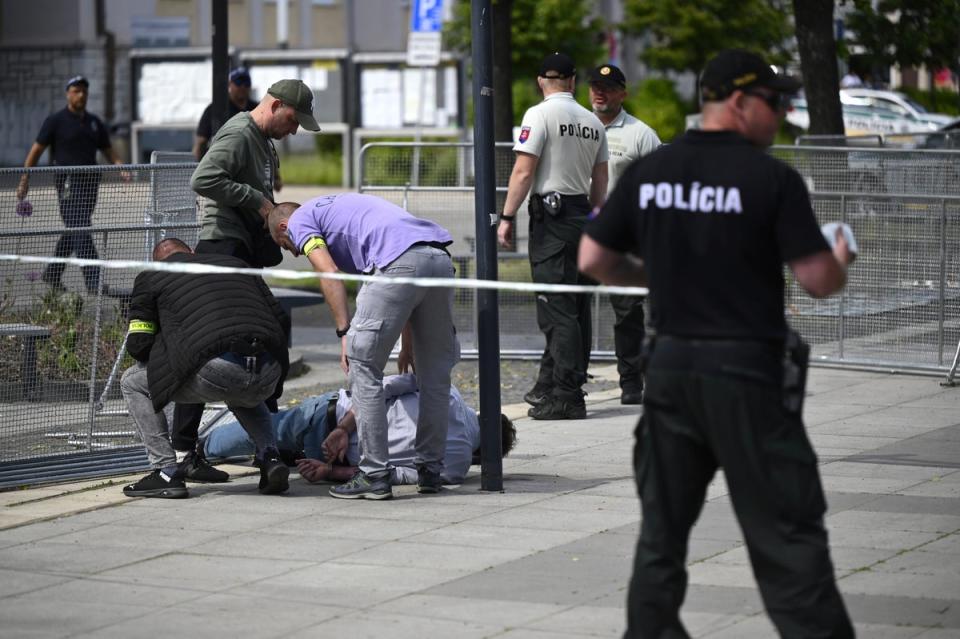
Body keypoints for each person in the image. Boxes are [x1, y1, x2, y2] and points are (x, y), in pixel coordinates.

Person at [578, 49, 855, 638]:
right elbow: (817, 281)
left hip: (673, 372)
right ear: (739, 102)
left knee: (662, 535)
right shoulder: (770, 179)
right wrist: (842, 256)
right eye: (775, 103)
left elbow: (593, 258)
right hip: (748, 375)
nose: (781, 116)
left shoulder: (654, 172)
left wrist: (656, 276)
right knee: (786, 535)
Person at [267, 193, 458, 501]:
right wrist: (407, 345)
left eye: (283, 243)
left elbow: (328, 273)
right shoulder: (340, 213)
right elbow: (403, 288)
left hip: (399, 262)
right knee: (434, 375)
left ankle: (374, 474)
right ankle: (430, 471)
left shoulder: (300, 222)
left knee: (362, 363)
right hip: (436, 257)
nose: (291, 252)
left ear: (285, 227)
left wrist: (345, 331)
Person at [174, 78, 319, 481]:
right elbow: (202, 178)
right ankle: (192, 451)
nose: (294, 131)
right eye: (293, 120)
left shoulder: (262, 142)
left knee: (256, 337)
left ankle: (263, 449)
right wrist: (259, 201)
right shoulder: (240, 132)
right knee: (213, 345)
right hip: (222, 249)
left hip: (240, 251)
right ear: (274, 106)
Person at [120, 238, 292, 499]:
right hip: (268, 368)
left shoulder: (152, 277)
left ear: (156, 263)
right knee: (242, 386)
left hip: (219, 369)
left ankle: (165, 472)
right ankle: (270, 458)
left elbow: (138, 345)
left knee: (132, 382)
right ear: (190, 252)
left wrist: (168, 347)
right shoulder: (235, 265)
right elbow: (280, 318)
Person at [497, 52, 608, 421]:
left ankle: (567, 395)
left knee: (555, 309)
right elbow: (601, 182)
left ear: (541, 80)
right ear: (573, 81)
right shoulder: (593, 121)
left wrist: (507, 216)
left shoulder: (539, 114)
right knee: (575, 308)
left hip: (552, 221)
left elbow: (524, 172)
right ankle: (551, 384)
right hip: (583, 217)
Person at [202, 373, 517, 486]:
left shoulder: (445, 391)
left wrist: (342, 428)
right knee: (276, 449)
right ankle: (269, 458)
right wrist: (328, 472)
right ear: (481, 455)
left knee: (266, 431)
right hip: (335, 460)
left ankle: (199, 448)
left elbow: (379, 389)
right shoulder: (456, 467)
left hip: (333, 415)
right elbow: (393, 474)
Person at [588, 64, 660, 405]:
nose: (600, 92)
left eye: (608, 87)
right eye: (595, 87)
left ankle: (632, 382)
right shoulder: (578, 127)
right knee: (570, 310)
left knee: (628, 312)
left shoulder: (640, 134)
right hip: (581, 233)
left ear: (622, 93)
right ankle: (569, 383)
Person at [15, 75, 125, 295]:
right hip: (67, 184)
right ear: (68, 93)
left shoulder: (94, 122)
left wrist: (120, 165)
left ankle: (53, 273)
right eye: (76, 91)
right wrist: (25, 179)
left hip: (90, 184)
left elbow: (107, 149)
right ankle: (93, 281)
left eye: (84, 91)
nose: (81, 95)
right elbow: (37, 150)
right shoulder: (55, 121)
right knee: (82, 228)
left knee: (74, 229)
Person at [192, 67, 258, 161]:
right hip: (223, 161)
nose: (243, 86)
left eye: (246, 82)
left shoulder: (256, 108)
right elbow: (201, 142)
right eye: (238, 82)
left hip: (251, 162)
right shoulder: (214, 109)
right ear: (229, 84)